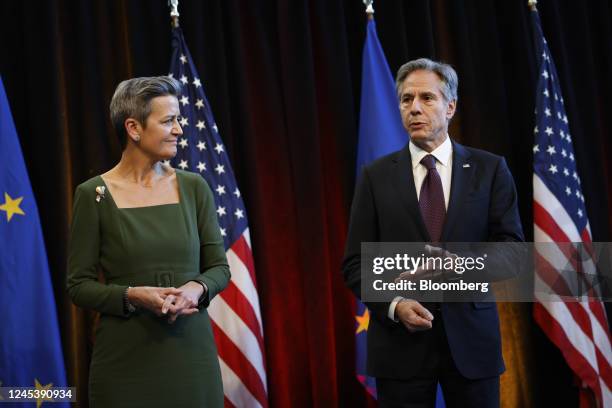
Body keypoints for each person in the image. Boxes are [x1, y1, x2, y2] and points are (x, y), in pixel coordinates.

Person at [342, 58, 524, 407]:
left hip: (472, 343)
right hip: (399, 347)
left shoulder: (490, 169)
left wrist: (462, 265)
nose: (414, 108)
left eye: (427, 98)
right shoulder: (375, 177)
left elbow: (513, 252)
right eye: (406, 99)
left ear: (450, 106)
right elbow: (355, 264)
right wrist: (395, 305)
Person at [67, 76, 230, 407]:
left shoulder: (194, 187)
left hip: (191, 359)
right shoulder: (92, 195)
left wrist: (194, 291)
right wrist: (132, 296)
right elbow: (78, 285)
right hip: (125, 366)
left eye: (178, 120)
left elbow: (218, 268)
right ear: (134, 128)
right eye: (168, 121)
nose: (179, 130)